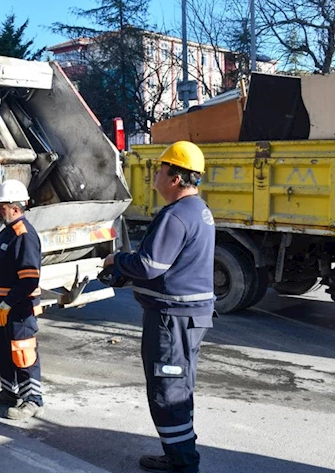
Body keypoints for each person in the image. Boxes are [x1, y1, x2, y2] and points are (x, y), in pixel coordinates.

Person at [103, 141, 215, 473]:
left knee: (168, 389)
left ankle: (182, 463)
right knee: (180, 386)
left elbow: (151, 264)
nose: (155, 176)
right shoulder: (199, 211)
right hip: (190, 318)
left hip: (172, 321)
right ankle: (179, 453)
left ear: (176, 177)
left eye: (160, 170)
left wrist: (117, 260)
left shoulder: (177, 216)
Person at [0, 179, 44, 420]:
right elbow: (1, 271)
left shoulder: (24, 236)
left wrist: (7, 304)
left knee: (23, 354)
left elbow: (29, 280)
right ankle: (9, 392)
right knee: (4, 352)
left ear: (15, 208)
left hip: (20, 309)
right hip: (5, 309)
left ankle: (33, 400)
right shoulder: (7, 232)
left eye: (1, 206)